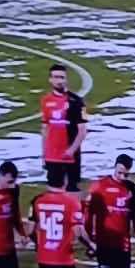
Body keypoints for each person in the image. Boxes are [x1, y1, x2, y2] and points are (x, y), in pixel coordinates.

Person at [40, 62, 88, 193]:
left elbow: (83, 131)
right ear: (50, 79)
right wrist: (44, 155)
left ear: (66, 79)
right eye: (56, 77)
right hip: (52, 156)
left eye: (62, 77)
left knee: (72, 192)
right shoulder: (45, 101)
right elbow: (45, 129)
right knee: (53, 192)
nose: (59, 81)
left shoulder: (76, 101)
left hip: (70, 156)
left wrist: (71, 150)